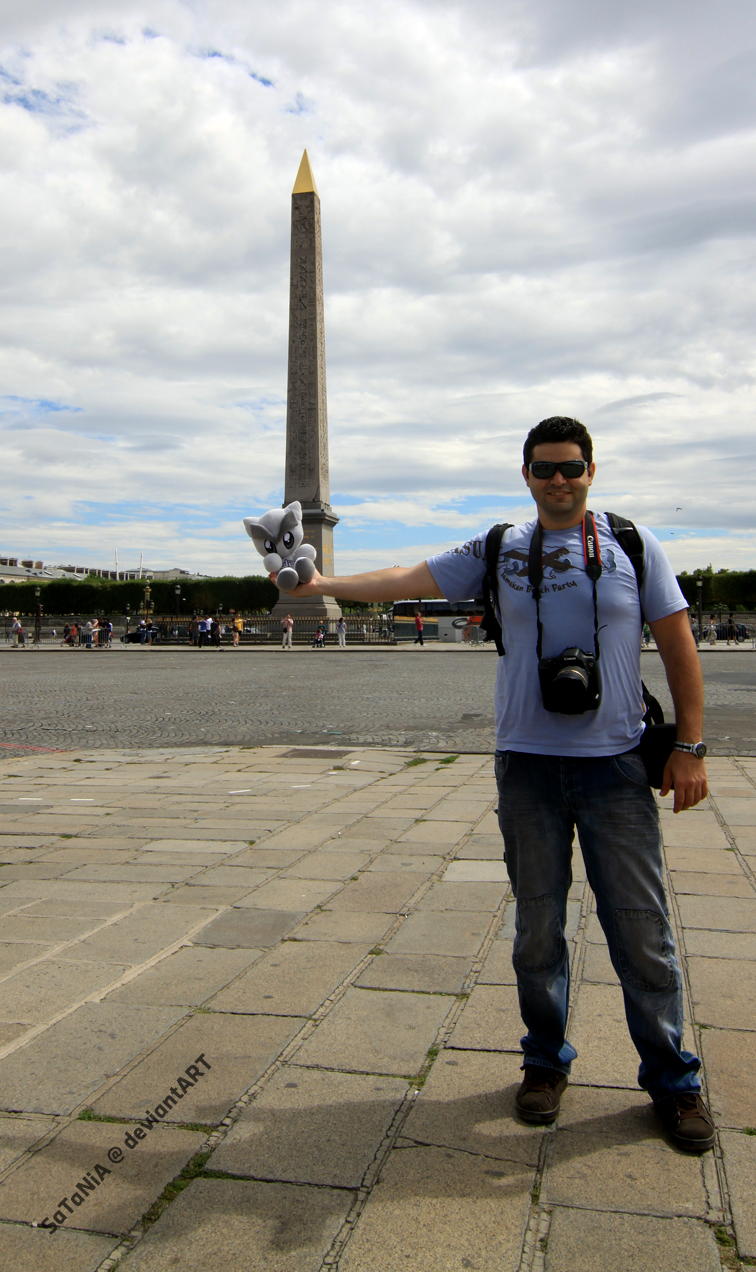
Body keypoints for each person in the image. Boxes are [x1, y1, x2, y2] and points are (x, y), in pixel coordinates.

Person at [272, 414, 714, 1154]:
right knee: (536, 927)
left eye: (571, 467)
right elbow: (408, 577)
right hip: (527, 763)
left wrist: (692, 746)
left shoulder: (635, 544)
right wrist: (325, 584)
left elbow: (677, 644)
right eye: (545, 468)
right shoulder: (501, 546)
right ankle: (544, 1063)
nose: (559, 479)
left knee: (642, 929)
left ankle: (674, 1078)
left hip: (615, 763)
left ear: (592, 471)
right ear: (526, 475)